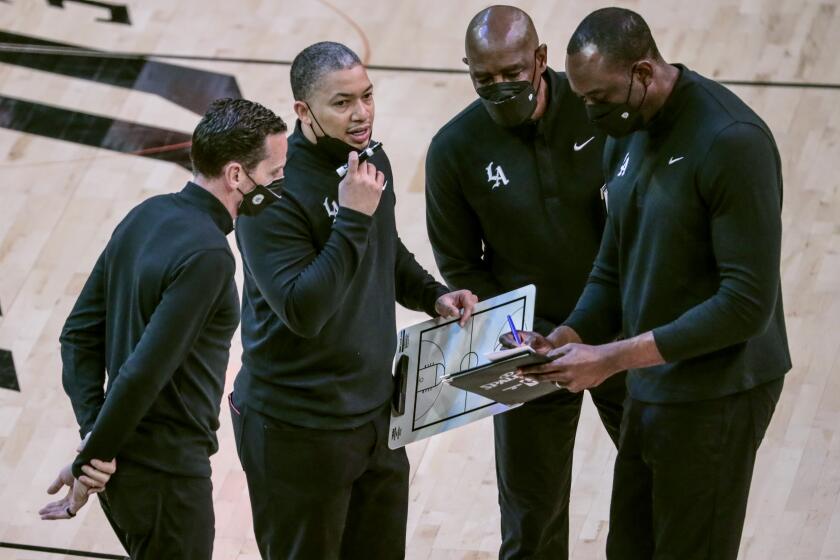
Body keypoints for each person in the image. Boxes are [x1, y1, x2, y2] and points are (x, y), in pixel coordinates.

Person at [511, 8, 791, 559]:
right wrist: (572, 333)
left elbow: (745, 304)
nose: (588, 111)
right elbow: (613, 262)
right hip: (653, 379)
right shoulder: (627, 130)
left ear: (643, 72)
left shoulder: (732, 142)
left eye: (598, 98)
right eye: (582, 97)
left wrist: (612, 358)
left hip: (720, 390)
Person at [230, 41, 477, 560]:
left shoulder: (368, 158)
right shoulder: (270, 191)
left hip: (375, 416)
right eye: (342, 103)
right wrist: (353, 217)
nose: (361, 113)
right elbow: (302, 309)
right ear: (303, 111)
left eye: (367, 96)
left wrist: (434, 296)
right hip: (297, 428)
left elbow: (384, 251)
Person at [43, 98, 288, 560]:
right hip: (168, 478)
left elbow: (77, 335)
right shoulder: (210, 256)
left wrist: (96, 439)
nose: (279, 185)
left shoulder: (147, 214)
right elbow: (143, 371)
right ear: (237, 175)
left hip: (125, 473)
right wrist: (92, 456)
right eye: (274, 174)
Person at [425, 6, 625, 558]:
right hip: (527, 351)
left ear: (540, 59)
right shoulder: (454, 150)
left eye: (511, 73)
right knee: (530, 519)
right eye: (483, 78)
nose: (500, 87)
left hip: (621, 333)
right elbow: (462, 267)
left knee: (653, 492)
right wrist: (522, 339)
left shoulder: (599, 113)